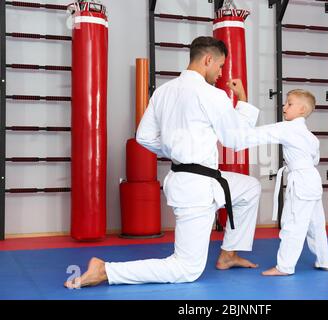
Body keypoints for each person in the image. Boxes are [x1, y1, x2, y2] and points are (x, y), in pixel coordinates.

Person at [64, 36, 262, 288]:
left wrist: (175, 148)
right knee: (186, 269)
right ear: (208, 59)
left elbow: (144, 137)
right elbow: (236, 140)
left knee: (250, 188)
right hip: (197, 189)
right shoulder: (212, 95)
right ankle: (106, 270)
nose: (221, 73)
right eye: (220, 66)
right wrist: (242, 100)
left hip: (191, 179)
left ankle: (229, 254)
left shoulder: (163, 91)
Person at [229, 88, 328, 276]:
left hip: (300, 180)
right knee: (315, 224)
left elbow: (257, 135)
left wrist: (235, 136)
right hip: (312, 179)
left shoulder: (288, 128)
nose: (284, 107)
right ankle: (324, 261)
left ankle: (284, 267)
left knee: (292, 223)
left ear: (302, 109)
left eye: (289, 103)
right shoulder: (311, 137)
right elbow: (315, 160)